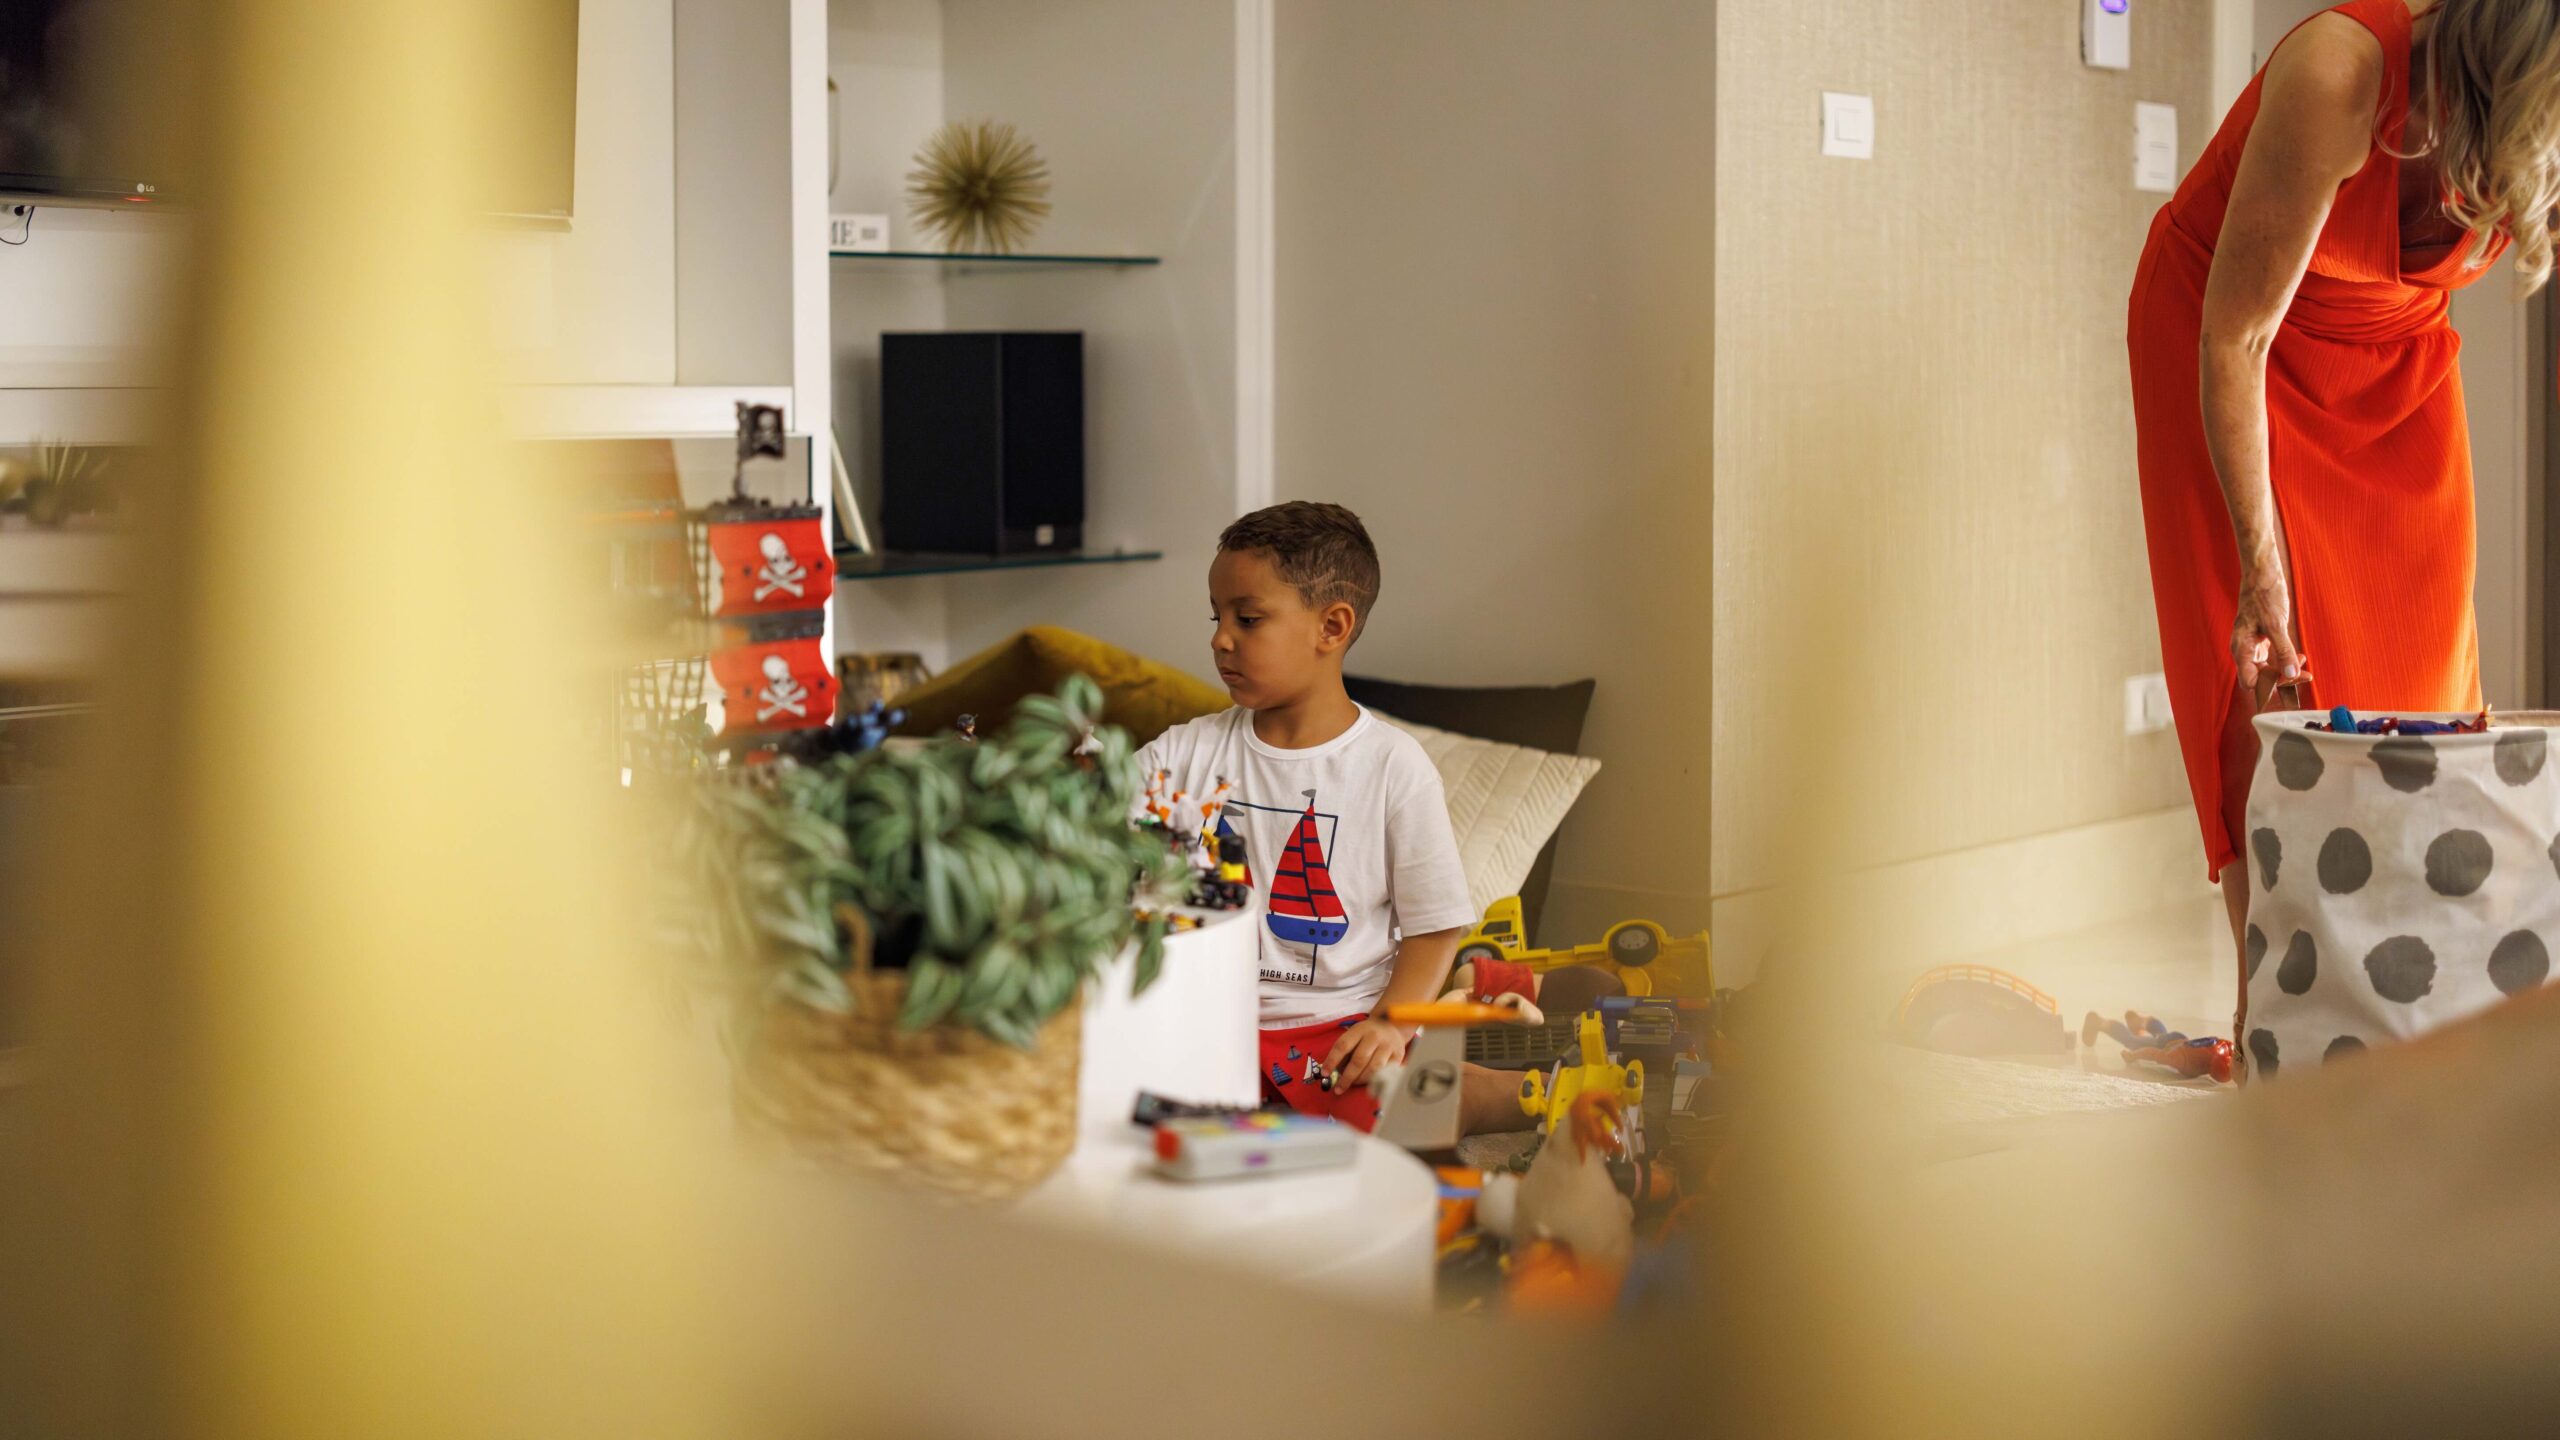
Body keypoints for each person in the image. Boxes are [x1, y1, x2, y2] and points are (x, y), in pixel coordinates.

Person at [2127, 0, 2560, 975]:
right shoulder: (2338, 72)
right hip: (2227, 337)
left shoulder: (2542, 124)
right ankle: (2278, 1000)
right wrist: (2261, 568)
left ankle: (2420, 985)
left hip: (2397, 358)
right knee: (2266, 677)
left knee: (2428, 674)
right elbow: (2235, 338)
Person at [1134, 502, 1525, 1134]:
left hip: (1335, 1028)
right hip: (1202, 1022)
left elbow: (1434, 926)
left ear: (1332, 626)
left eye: (1247, 618)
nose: (1219, 638)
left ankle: (1509, 1092)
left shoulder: (1392, 767)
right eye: (1216, 616)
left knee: (1387, 1113)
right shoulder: (1185, 751)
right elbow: (1093, 817)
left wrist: (1389, 1026)